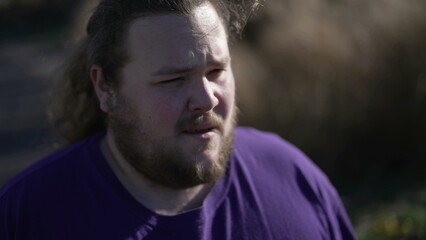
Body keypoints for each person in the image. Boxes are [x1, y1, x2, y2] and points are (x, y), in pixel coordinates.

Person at [0, 0, 357, 239]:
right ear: (106, 88)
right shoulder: (29, 215)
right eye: (172, 80)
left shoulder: (292, 177)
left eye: (216, 71)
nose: (206, 99)